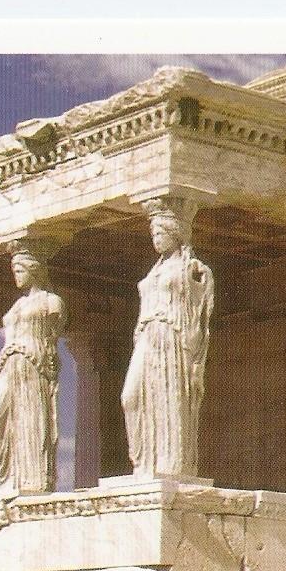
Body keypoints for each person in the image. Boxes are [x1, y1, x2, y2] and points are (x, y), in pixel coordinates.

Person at [121, 202, 214, 478]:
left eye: (160, 233)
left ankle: (171, 464)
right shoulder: (154, 271)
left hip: (171, 335)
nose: (156, 238)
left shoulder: (191, 268)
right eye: (153, 234)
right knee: (130, 397)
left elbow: (201, 312)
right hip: (147, 335)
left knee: (170, 398)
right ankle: (144, 462)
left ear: (175, 233)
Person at [0, 247, 66, 494]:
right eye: (14, 271)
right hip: (8, 366)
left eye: (20, 270)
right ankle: (6, 478)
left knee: (32, 421)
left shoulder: (52, 302)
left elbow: (52, 338)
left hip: (33, 364)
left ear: (34, 270)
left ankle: (32, 480)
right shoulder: (18, 304)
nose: (16, 276)